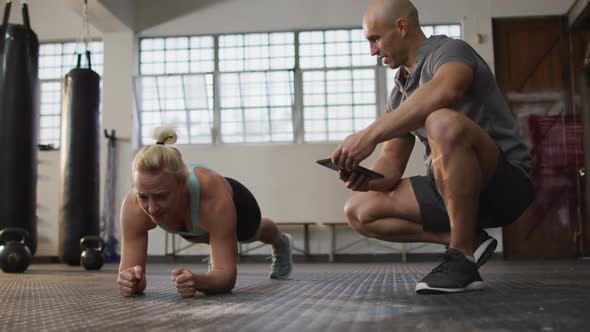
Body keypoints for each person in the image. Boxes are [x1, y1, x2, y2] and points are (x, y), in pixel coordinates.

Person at [331, 0, 534, 294]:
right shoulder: (398, 95)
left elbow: (445, 89)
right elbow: (390, 166)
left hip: (504, 183)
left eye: (375, 39)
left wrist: (369, 134)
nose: (372, 51)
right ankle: (465, 239)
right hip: (448, 189)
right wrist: (366, 179)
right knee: (358, 210)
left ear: (401, 27)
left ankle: (461, 258)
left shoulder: (450, 51)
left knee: (441, 121)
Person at [117, 127, 293, 298]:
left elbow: (227, 279)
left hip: (239, 206)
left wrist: (198, 281)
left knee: (254, 233)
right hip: (196, 225)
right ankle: (216, 250)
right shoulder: (133, 208)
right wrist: (131, 281)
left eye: (162, 196)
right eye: (143, 197)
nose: (152, 209)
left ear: (182, 184)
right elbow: (132, 279)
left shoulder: (213, 199)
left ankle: (281, 242)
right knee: (205, 236)